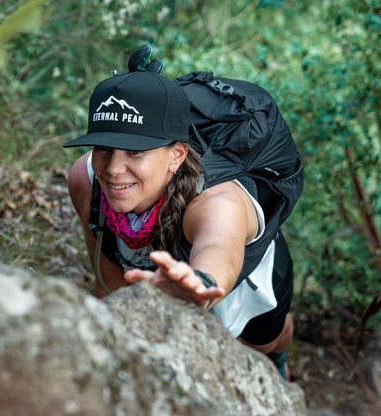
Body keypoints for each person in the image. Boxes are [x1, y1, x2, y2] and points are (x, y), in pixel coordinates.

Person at [64, 69, 294, 380]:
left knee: (261, 345)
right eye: (104, 147)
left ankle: (281, 355)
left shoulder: (216, 202)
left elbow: (219, 249)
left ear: (176, 155)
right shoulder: (85, 178)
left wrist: (200, 281)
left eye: (135, 151)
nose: (114, 169)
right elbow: (107, 282)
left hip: (249, 278)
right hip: (159, 268)